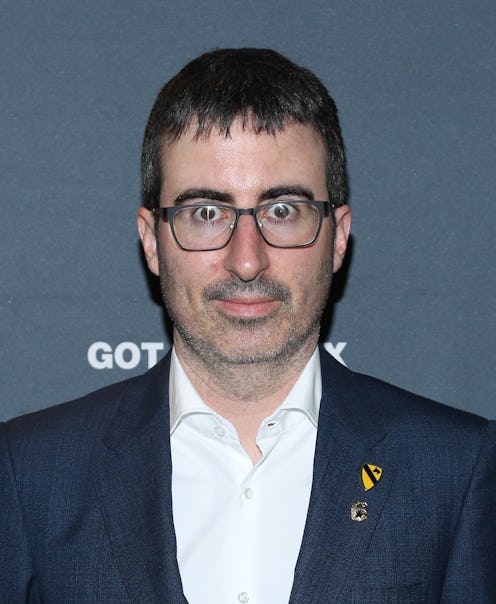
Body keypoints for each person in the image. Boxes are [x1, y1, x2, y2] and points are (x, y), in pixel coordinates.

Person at [1, 48, 494, 604]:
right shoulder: (31, 474)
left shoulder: (456, 468)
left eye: (282, 211)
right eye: (206, 213)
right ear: (151, 242)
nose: (246, 261)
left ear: (337, 238)